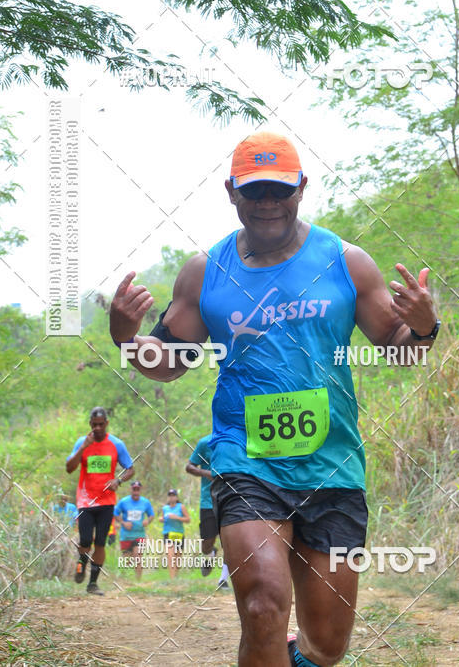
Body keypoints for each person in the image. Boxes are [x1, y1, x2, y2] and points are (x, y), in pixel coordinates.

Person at [109, 131, 440, 666]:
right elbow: (168, 362)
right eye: (254, 189)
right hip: (246, 460)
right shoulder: (205, 271)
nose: (267, 201)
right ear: (231, 192)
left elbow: (400, 349)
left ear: (301, 188)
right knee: (262, 605)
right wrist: (127, 338)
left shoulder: (346, 262)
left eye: (280, 189)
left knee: (327, 646)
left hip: (331, 466)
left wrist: (423, 328)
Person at [66, 406, 134, 595]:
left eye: (101, 425)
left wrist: (118, 480)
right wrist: (83, 448)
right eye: (94, 425)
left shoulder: (116, 444)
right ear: (90, 424)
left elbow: (130, 469)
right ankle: (82, 561)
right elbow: (69, 468)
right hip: (85, 501)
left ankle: (92, 584)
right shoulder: (81, 442)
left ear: (106, 423)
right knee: (85, 540)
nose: (97, 428)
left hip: (107, 501)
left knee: (100, 543)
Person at [186, 434, 230, 588]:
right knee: (206, 543)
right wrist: (206, 473)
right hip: (208, 500)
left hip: (231, 500)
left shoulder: (236, 439)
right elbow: (189, 467)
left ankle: (223, 579)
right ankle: (210, 554)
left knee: (230, 541)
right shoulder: (205, 442)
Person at [114, 480, 154, 580]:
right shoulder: (123, 501)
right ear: (130, 490)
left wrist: (147, 521)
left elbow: (151, 515)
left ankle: (138, 581)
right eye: (134, 489)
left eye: (137, 490)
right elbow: (115, 513)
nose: (136, 492)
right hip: (126, 535)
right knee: (127, 560)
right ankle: (125, 580)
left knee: (138, 556)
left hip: (139, 534)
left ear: (140, 490)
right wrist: (123, 523)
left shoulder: (145, 502)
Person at [158, 488, 190, 579]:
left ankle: (176, 576)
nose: (171, 497)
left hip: (179, 534)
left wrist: (177, 517)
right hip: (168, 534)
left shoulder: (181, 507)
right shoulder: (165, 508)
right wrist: (161, 519)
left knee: (178, 558)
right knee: (170, 556)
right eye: (170, 496)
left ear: (176, 497)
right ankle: (172, 579)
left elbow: (188, 519)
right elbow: (162, 518)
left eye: (173, 495)